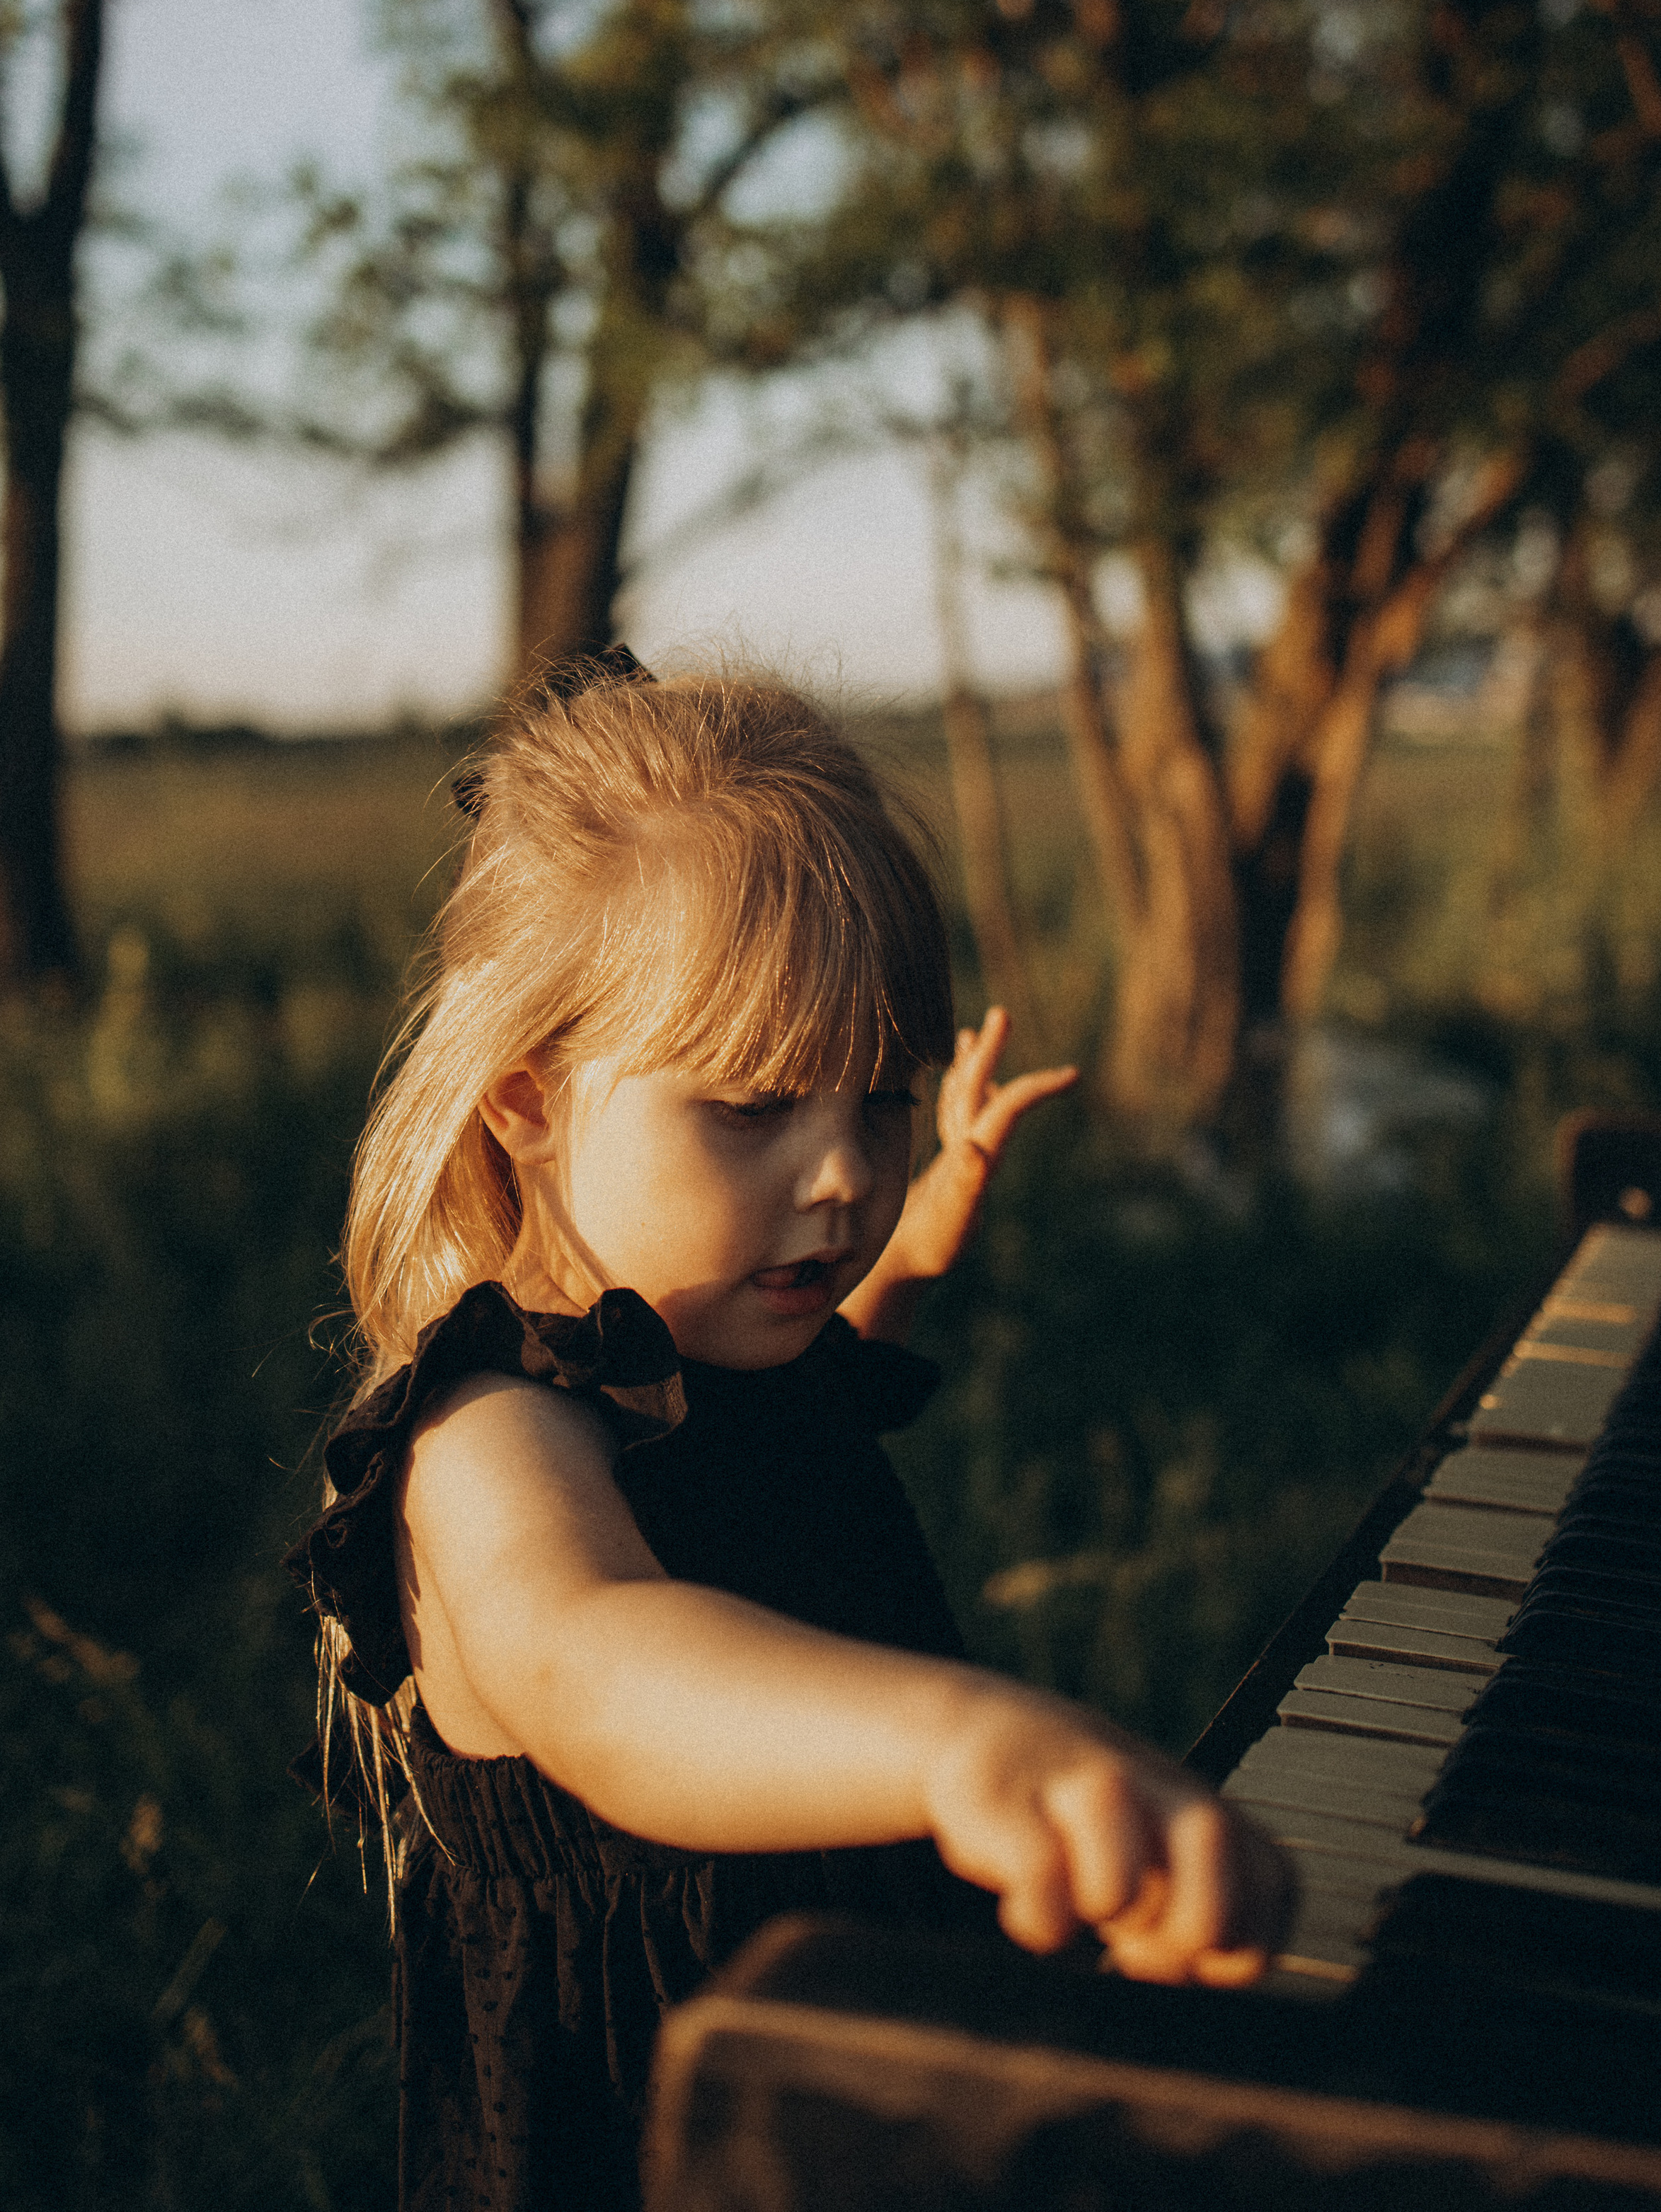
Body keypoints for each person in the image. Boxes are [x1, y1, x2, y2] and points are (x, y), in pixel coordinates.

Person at [287, 654, 1289, 2212]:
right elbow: (599, 1669)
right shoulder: (491, 1436)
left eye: (874, 1099)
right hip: (661, 2118)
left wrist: (918, 1239)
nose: (838, 1177)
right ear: (525, 1105)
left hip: (853, 2038)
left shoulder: (718, 1330)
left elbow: (789, 1436)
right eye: (751, 1108)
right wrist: (962, 1743)